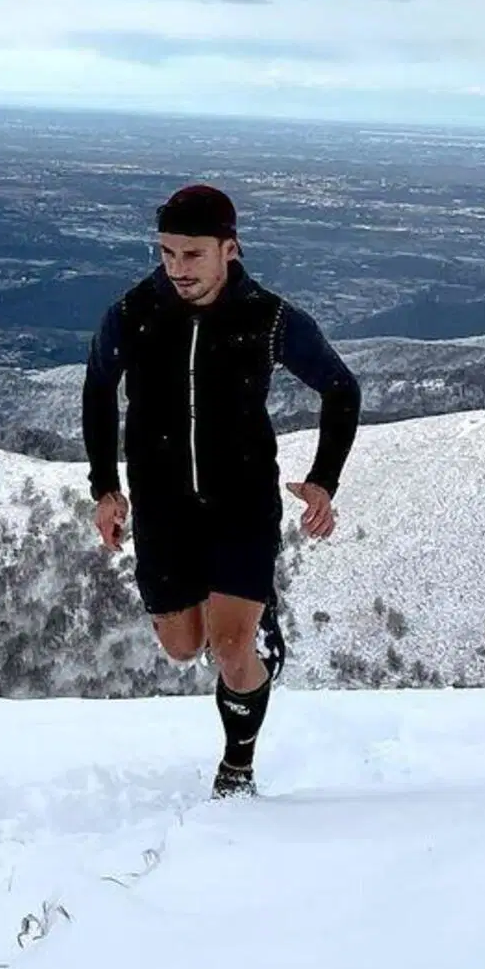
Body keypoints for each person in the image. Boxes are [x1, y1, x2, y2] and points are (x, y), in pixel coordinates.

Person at [82, 183, 361, 796]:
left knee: (233, 649)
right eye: (166, 253)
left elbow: (341, 388)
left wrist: (322, 481)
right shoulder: (133, 314)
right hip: (162, 506)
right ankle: (235, 623)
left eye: (192, 255)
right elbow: (99, 387)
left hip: (242, 502)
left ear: (229, 250)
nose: (177, 269)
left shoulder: (268, 318)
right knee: (184, 648)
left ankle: (238, 764)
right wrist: (106, 488)